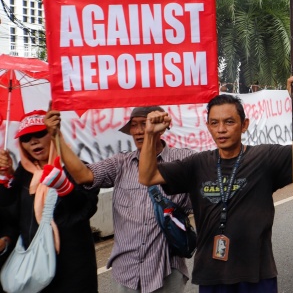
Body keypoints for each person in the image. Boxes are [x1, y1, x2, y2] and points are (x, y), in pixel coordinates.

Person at [138, 76, 293, 292]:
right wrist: (150, 135)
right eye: (214, 123)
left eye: (229, 122)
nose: (221, 130)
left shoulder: (264, 157)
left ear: (244, 125)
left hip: (257, 275)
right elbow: (147, 177)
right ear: (207, 126)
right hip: (212, 275)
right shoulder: (197, 164)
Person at [44, 106, 195, 293]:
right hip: (126, 273)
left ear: (162, 127)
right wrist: (57, 136)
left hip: (167, 269)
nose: (140, 131)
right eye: (134, 125)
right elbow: (84, 175)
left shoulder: (184, 160)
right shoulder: (120, 163)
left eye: (145, 124)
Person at [0, 110, 99, 292]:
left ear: (53, 134)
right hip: (34, 270)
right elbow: (12, 217)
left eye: (40, 133)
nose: (33, 141)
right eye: (26, 138)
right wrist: (5, 179)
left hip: (71, 270)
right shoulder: (23, 175)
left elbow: (86, 208)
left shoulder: (75, 169)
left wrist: (64, 187)